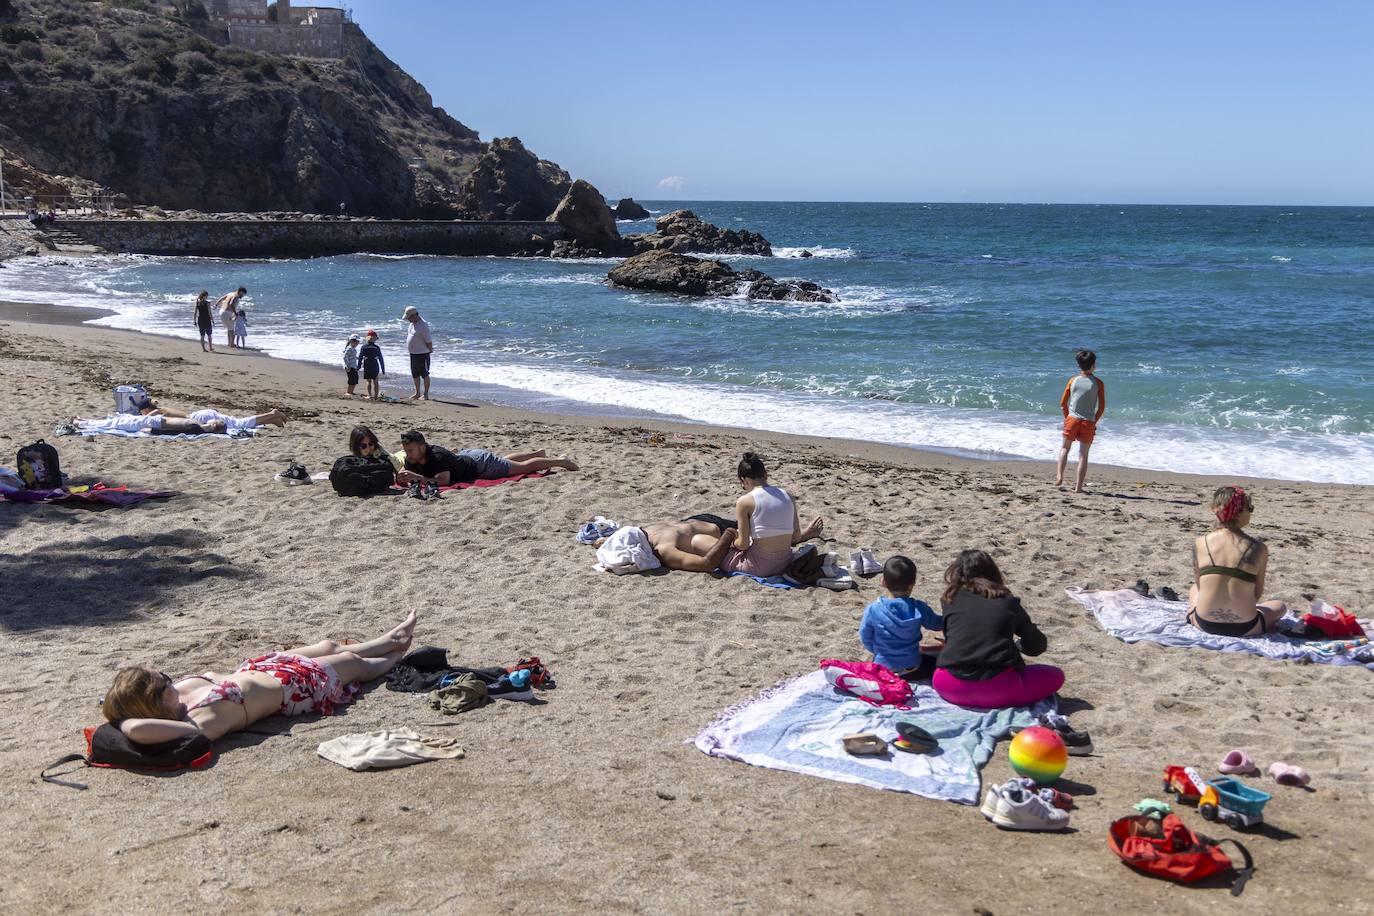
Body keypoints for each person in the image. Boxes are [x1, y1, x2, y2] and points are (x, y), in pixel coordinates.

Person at [101, 613, 417, 745]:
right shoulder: (199, 721)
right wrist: (126, 723)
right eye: (164, 682)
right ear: (154, 703)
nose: (171, 681)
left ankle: (389, 638)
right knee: (355, 663)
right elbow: (138, 728)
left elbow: (126, 710)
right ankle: (396, 655)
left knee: (330, 646)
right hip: (295, 689)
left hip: (264, 668)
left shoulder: (178, 696)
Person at [932, 549, 1063, 709]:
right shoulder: (1008, 602)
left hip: (948, 685)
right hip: (996, 688)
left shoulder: (949, 599)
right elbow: (1036, 647)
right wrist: (1018, 645)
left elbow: (953, 637)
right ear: (993, 573)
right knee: (1056, 676)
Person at [1187, 485, 1287, 637]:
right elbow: (1256, 595)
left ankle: (1191, 613)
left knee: (1194, 589)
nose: (1250, 512)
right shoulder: (1259, 548)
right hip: (1246, 626)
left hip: (1205, 623)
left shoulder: (1200, 543)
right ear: (1241, 512)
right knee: (1280, 606)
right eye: (1250, 508)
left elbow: (1201, 586)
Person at [721, 452, 824, 578]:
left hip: (759, 567)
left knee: (718, 551)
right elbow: (795, 538)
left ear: (744, 480)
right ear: (765, 475)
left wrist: (732, 542)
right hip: (785, 564)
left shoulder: (744, 501)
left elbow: (743, 545)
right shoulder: (788, 496)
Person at [859, 555, 944, 679]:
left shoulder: (873, 610)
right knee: (936, 662)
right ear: (912, 585)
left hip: (883, 669)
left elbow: (865, 637)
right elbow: (936, 624)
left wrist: (879, 652)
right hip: (912, 667)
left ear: (883, 582)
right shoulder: (918, 607)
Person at [395, 430, 579, 486]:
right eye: (406, 450)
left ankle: (560, 461)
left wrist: (418, 478)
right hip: (465, 457)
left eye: (410, 450)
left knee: (523, 468)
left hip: (481, 464)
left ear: (421, 447)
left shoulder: (437, 457)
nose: (408, 454)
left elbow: (443, 482)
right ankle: (537, 453)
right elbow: (405, 469)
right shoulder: (414, 456)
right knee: (505, 461)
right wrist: (402, 475)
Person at [1055, 349, 1105, 492]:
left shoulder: (1072, 381)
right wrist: (1093, 422)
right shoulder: (1099, 383)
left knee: (1065, 448)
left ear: (1078, 365)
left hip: (1072, 419)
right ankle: (1078, 487)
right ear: (1094, 365)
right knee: (1083, 454)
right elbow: (1101, 408)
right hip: (1088, 421)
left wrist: (1067, 417)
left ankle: (1059, 476)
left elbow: (1063, 403)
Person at [402, 306, 433, 401]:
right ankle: (417, 393)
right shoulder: (412, 324)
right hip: (413, 353)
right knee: (415, 374)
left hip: (422, 353)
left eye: (409, 318)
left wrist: (430, 349)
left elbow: (428, 341)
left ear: (414, 316)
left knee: (424, 374)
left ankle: (426, 394)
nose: (408, 320)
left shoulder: (423, 325)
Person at [358, 329, 385, 401]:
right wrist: (383, 369)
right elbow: (381, 359)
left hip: (367, 364)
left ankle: (369, 395)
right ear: (374, 339)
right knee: (376, 381)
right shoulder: (376, 347)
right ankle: (376, 396)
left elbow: (360, 357)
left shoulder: (364, 347)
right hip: (374, 364)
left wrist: (358, 366)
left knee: (368, 381)